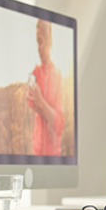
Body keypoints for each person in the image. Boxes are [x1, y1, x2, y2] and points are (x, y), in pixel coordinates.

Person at [27, 19, 64, 156]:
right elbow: (31, 102)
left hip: (53, 155)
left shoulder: (58, 75)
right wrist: (48, 112)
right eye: (37, 42)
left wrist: (40, 102)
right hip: (37, 151)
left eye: (41, 42)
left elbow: (59, 125)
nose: (39, 48)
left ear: (50, 42)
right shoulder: (36, 72)